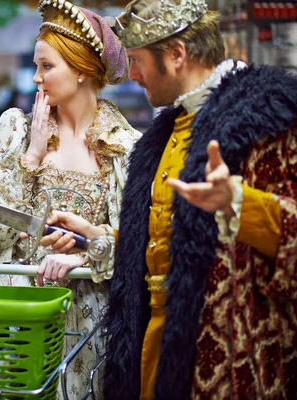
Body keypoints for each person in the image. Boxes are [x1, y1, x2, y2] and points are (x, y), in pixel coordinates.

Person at [40, 0, 297, 398]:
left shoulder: (266, 119)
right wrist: (99, 237)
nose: (134, 76)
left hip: (225, 355)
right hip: (153, 349)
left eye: (138, 61)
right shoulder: (162, 134)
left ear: (176, 55)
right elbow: (167, 241)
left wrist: (241, 205)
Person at [0, 0, 141, 397]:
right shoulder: (14, 133)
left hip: (90, 326)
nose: (36, 78)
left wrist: (84, 252)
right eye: (37, 66)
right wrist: (31, 157)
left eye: (47, 66)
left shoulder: (124, 148)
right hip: (14, 318)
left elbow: (141, 243)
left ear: (80, 70)